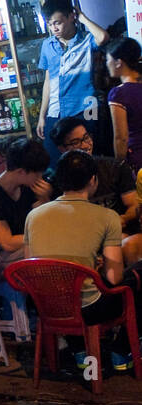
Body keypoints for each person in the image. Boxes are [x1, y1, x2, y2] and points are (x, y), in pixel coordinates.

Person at [25, 150, 133, 371]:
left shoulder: (33, 216)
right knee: (134, 280)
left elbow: (32, 268)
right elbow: (114, 277)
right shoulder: (108, 217)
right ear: (93, 180)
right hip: (88, 309)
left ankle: (80, 351)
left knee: (70, 286)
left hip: (45, 307)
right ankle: (121, 352)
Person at [37, 0, 109, 163]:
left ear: (71, 17)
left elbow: (103, 37)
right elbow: (48, 81)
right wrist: (42, 115)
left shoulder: (86, 39)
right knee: (56, 162)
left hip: (86, 108)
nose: (53, 28)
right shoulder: (47, 45)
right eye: (49, 24)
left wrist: (82, 17)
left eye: (58, 22)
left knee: (91, 157)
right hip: (56, 111)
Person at [0, 136, 51, 281]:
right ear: (21, 172)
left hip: (24, 248)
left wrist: (44, 199)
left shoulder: (27, 187)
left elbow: (40, 223)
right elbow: (7, 242)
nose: (40, 177)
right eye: (37, 173)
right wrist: (43, 238)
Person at [48, 116, 138, 216]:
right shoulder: (58, 180)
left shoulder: (116, 168)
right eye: (76, 142)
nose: (85, 145)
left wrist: (119, 222)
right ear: (61, 148)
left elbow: (134, 206)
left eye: (86, 138)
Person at [106, 36, 142, 172]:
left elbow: (121, 138)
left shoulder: (119, 94)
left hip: (137, 159)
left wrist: (119, 166)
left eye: (108, 60)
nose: (106, 64)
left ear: (118, 62)